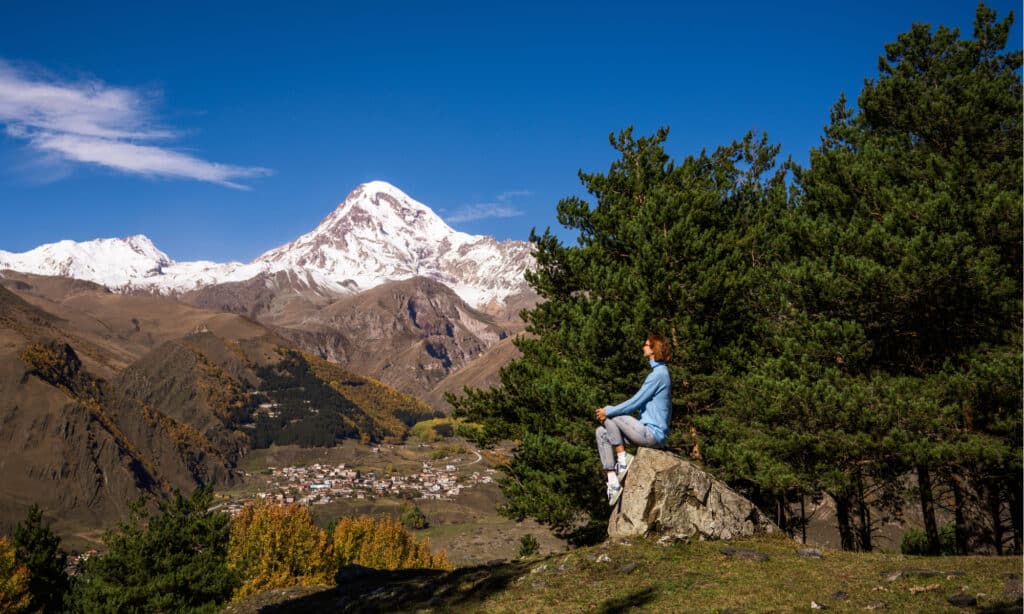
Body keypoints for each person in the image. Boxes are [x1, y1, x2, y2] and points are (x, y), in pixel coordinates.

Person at [595, 334, 672, 506]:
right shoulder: (658, 372)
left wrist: (608, 410)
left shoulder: (659, 375)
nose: (643, 347)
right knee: (601, 432)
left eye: (646, 344)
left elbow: (635, 402)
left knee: (612, 414)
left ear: (654, 349)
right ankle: (613, 481)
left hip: (652, 434)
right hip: (642, 432)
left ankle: (622, 458)